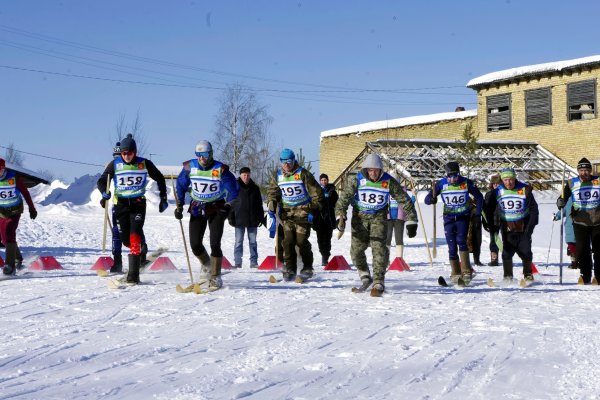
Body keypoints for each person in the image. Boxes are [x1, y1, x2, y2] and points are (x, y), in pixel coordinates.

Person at [335, 154, 418, 296]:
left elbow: (404, 200)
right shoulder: (357, 180)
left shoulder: (388, 181)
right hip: (359, 218)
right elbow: (343, 200)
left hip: (378, 218)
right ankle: (365, 275)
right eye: (370, 171)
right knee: (356, 251)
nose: (373, 174)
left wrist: (412, 220)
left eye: (376, 170)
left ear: (381, 170)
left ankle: (379, 281)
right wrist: (340, 216)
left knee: (378, 249)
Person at [97, 134, 168, 284]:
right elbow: (102, 181)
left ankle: (134, 275)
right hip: (121, 205)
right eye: (124, 153)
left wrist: (163, 197)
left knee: (135, 234)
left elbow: (160, 178)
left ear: (135, 152)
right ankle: (141, 249)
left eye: (129, 153)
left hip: (137, 204)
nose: (126, 156)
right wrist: (104, 193)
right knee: (126, 241)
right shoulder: (115, 164)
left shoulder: (144, 163)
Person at [175, 140, 238, 289]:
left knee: (214, 243)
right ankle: (206, 264)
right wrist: (179, 204)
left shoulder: (220, 169)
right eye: (199, 155)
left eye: (205, 154)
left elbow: (234, 191)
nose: (202, 158)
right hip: (197, 207)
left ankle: (216, 277)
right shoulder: (190, 167)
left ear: (210, 154)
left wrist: (228, 206)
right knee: (195, 244)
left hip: (216, 208)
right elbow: (180, 185)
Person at [267, 148, 323, 282]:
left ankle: (307, 267)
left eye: (289, 161)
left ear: (294, 161)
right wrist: (272, 203)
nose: (286, 164)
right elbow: (272, 191)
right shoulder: (278, 175)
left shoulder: (303, 174)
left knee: (301, 241)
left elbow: (318, 194)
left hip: (303, 214)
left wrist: (313, 210)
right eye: (283, 161)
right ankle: (290, 268)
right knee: (287, 242)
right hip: (287, 215)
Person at [425, 161, 483, 285]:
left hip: (463, 217)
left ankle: (466, 271)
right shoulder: (441, 184)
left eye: (455, 175)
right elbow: (427, 200)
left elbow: (479, 197)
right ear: (446, 175)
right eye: (450, 176)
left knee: (462, 241)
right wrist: (432, 198)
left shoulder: (466, 183)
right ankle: (455, 273)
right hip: (449, 219)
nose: (453, 179)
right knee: (451, 247)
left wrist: (478, 214)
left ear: (459, 174)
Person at [103, 142, 149, 273]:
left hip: (134, 203)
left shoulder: (134, 165)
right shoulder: (113, 166)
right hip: (118, 204)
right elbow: (104, 182)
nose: (121, 158)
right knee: (117, 233)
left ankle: (141, 254)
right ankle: (117, 262)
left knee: (136, 230)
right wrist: (104, 195)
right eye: (117, 155)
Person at [486, 168, 538, 283]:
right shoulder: (497, 191)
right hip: (507, 228)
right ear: (502, 181)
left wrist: (530, 227)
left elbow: (534, 209)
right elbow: (488, 208)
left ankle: (528, 274)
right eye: (505, 180)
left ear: (515, 179)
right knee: (506, 253)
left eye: (511, 180)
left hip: (523, 227)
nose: (508, 183)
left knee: (526, 252)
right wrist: (490, 224)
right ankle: (508, 276)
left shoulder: (524, 189)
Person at [556, 157, 600, 284]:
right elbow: (563, 197)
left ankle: (598, 276)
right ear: (578, 171)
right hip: (580, 221)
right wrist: (560, 202)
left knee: (598, 250)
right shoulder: (571, 183)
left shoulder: (598, 181)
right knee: (582, 250)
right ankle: (585, 275)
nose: (584, 173)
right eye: (581, 170)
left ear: (590, 171)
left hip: (597, 221)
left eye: (587, 170)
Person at [0, 158, 37, 275]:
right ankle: (18, 259)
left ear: (3, 168)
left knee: (10, 234)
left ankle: (9, 266)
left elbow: (25, 193)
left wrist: (32, 208)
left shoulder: (14, 177)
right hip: (1, 212)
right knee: (5, 239)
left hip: (15, 210)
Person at [229, 167, 263, 268]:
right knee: (238, 242)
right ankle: (237, 262)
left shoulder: (255, 188)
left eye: (248, 175)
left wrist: (261, 218)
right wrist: (230, 217)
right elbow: (230, 203)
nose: (246, 177)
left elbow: (259, 204)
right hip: (238, 219)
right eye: (244, 175)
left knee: (253, 242)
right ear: (240, 175)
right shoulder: (235, 187)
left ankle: (254, 262)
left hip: (253, 219)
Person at [313, 173, 338, 266]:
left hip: (329, 219)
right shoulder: (316, 191)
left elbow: (336, 203)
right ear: (320, 181)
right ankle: (323, 253)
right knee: (320, 239)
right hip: (319, 219)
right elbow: (313, 203)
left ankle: (325, 257)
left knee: (327, 239)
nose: (324, 182)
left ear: (327, 180)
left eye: (325, 180)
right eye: (322, 180)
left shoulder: (332, 191)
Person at [385, 174, 413, 259]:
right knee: (387, 238)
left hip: (399, 218)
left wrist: (414, 196)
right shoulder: (385, 188)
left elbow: (408, 202)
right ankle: (385, 259)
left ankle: (399, 258)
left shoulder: (402, 190)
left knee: (399, 238)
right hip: (388, 217)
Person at [554, 197, 578, 269]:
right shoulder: (569, 201)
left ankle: (577, 262)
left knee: (577, 246)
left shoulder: (572, 200)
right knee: (572, 246)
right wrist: (556, 216)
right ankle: (574, 262)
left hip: (577, 226)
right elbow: (563, 211)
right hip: (570, 227)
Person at [482, 174, 501, 266]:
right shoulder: (489, 194)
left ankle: (508, 257)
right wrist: (485, 222)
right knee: (494, 239)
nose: (496, 185)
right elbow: (485, 210)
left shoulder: (506, 193)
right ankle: (494, 258)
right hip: (493, 220)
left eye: (498, 183)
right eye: (494, 184)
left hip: (506, 220)